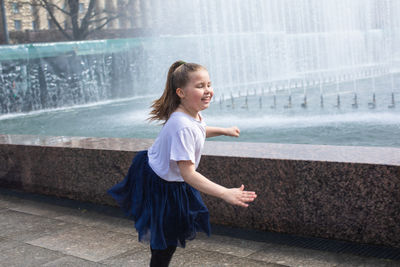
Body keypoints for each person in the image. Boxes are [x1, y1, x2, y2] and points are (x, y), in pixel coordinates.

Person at [108, 60, 257, 267]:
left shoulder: (190, 113)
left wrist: (223, 130)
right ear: (181, 92)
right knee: (166, 238)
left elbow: (199, 129)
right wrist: (224, 193)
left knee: (166, 232)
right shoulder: (181, 125)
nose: (208, 91)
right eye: (200, 86)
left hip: (163, 174)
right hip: (160, 181)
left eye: (209, 84)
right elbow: (188, 173)